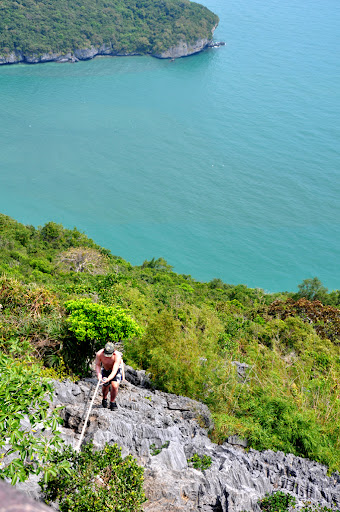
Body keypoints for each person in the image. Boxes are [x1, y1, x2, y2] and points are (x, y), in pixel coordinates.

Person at [95, 342, 123, 410]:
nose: (107, 356)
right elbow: (97, 365)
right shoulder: (99, 354)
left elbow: (114, 370)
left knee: (114, 385)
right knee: (105, 385)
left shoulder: (117, 356)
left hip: (115, 371)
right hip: (105, 370)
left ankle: (112, 402)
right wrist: (99, 375)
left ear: (113, 351)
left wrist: (108, 379)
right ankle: (104, 399)